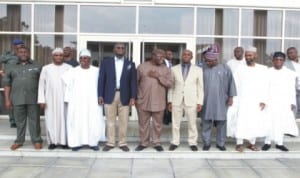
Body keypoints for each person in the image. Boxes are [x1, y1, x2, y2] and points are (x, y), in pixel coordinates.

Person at [62, 49, 105, 151]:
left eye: (85, 58)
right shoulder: (72, 71)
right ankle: (76, 143)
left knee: (93, 121)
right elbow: (67, 86)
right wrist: (67, 98)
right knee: (76, 122)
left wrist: (101, 97)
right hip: (77, 102)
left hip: (92, 102)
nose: (83, 60)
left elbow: (102, 85)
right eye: (81, 58)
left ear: (90, 59)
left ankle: (93, 142)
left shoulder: (97, 71)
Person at [98, 43, 137, 152]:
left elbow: (133, 82)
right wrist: (100, 95)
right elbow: (101, 80)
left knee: (124, 121)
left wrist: (133, 96)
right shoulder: (106, 63)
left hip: (124, 95)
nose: (120, 49)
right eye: (118, 48)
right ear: (114, 49)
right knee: (110, 121)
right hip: (109, 95)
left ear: (125, 50)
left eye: (122, 48)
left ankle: (122, 143)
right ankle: (110, 143)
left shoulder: (130, 64)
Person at [3, 46, 43, 150]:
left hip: (34, 98)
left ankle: (37, 140)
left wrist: (42, 98)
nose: (23, 54)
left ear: (28, 53)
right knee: (19, 121)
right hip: (17, 98)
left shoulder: (37, 66)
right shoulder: (11, 67)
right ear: (17, 53)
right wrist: (7, 100)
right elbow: (7, 84)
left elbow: (43, 83)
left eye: (25, 52)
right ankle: (19, 141)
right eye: (21, 52)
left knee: (35, 121)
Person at [135, 49, 173, 152]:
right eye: (159, 57)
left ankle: (156, 142)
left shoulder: (166, 69)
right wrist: (136, 98)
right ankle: (143, 143)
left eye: (163, 57)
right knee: (143, 124)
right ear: (153, 56)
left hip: (159, 101)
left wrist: (158, 77)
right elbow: (135, 83)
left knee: (157, 124)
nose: (161, 59)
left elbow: (170, 84)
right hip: (143, 101)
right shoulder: (142, 67)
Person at [233, 46, 269, 152]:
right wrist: (234, 99)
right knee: (241, 121)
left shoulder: (263, 69)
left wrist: (264, 100)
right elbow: (234, 84)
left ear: (255, 56)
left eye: (250, 55)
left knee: (254, 121)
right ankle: (239, 144)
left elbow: (266, 85)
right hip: (242, 100)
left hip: (256, 101)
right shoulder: (240, 68)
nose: (247, 57)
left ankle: (251, 143)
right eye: (246, 55)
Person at [201, 44, 236, 151]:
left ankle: (220, 143)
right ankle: (206, 143)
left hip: (221, 100)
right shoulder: (202, 68)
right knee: (206, 122)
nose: (207, 62)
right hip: (206, 100)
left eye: (209, 61)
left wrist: (231, 97)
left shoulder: (225, 68)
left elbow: (231, 83)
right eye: (206, 60)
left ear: (215, 59)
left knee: (221, 122)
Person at [262, 52, 299, 152]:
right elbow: (263, 88)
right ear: (273, 60)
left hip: (284, 102)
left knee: (281, 123)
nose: (278, 61)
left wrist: (292, 102)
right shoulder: (267, 72)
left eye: (281, 60)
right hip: (270, 101)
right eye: (276, 59)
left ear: (284, 61)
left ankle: (280, 143)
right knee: (269, 122)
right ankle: (267, 142)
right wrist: (263, 101)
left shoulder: (290, 73)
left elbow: (292, 89)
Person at [168, 49, 204, 151]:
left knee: (192, 123)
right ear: (181, 56)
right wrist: (169, 100)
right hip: (176, 99)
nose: (186, 56)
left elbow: (200, 87)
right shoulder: (174, 69)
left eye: (188, 55)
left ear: (191, 57)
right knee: (175, 123)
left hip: (192, 100)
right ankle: (175, 142)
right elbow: (171, 86)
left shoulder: (198, 70)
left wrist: (200, 102)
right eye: (184, 54)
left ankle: (193, 142)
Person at [38, 48, 72, 150]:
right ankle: (52, 141)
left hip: (64, 99)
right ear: (52, 57)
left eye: (60, 55)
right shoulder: (46, 68)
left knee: (65, 119)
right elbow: (41, 85)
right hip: (50, 99)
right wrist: (41, 100)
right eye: (56, 55)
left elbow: (72, 84)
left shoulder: (69, 68)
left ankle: (64, 141)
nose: (58, 57)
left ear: (63, 57)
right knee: (50, 119)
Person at [0, 39, 25, 128]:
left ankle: (20, 119)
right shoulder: (8, 56)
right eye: (19, 45)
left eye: (22, 45)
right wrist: (1, 73)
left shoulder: (24, 55)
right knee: (10, 100)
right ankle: (12, 120)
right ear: (14, 46)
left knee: (20, 100)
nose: (21, 46)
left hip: (20, 80)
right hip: (9, 81)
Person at [226, 47, 246, 138]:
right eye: (235, 52)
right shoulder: (230, 63)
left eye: (238, 51)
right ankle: (232, 133)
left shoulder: (247, 63)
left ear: (243, 52)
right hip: (232, 91)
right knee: (232, 113)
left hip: (245, 92)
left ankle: (241, 133)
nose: (236, 53)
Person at [284, 47, 300, 118]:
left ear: (296, 53)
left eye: (291, 53)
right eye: (288, 53)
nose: (289, 55)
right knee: (294, 112)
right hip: (293, 91)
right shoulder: (285, 65)